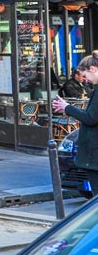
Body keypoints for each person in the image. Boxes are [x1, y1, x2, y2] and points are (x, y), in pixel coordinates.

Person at [53, 53, 98, 196]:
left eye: (86, 75)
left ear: (93, 69)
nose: (86, 80)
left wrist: (67, 107)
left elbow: (91, 118)